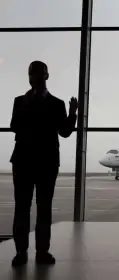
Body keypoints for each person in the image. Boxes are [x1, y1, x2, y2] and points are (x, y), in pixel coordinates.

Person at [10, 61, 78, 267]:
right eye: (32, 74)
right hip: (29, 160)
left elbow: (65, 132)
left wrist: (73, 113)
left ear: (46, 76)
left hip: (41, 162)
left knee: (42, 208)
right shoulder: (20, 101)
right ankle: (22, 251)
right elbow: (14, 126)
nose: (34, 77)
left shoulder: (55, 104)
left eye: (38, 74)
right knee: (24, 208)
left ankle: (40, 252)